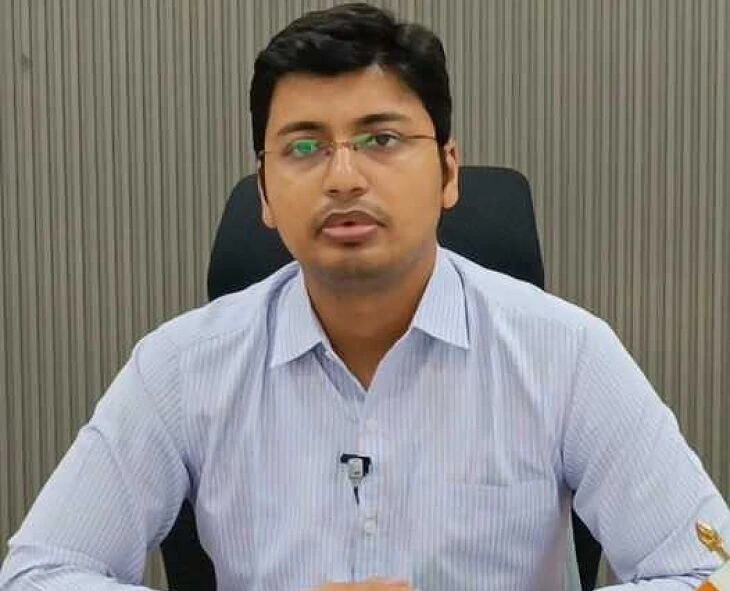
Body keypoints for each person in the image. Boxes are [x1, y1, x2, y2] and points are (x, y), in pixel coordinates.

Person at [1, 3, 728, 590]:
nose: (343, 177)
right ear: (265, 192)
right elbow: (40, 572)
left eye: (381, 139)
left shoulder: (565, 354)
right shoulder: (180, 367)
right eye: (304, 147)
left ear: (448, 172)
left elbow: (708, 571)